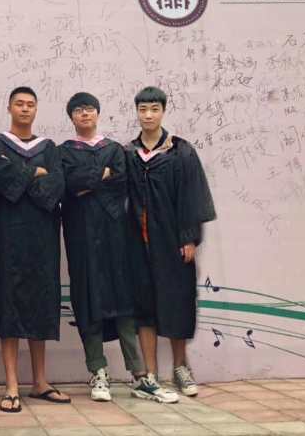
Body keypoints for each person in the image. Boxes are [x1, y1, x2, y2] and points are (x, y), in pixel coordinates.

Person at [125, 86, 216, 402]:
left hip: (173, 244)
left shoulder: (181, 151)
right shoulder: (128, 153)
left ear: (163, 111)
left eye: (154, 109)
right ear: (137, 112)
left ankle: (180, 367)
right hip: (138, 245)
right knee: (144, 308)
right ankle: (150, 375)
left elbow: (192, 196)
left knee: (178, 303)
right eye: (143, 109)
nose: (148, 115)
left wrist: (189, 237)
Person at [0, 86, 68, 413]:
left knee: (40, 304)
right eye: (19, 104)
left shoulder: (49, 147)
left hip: (42, 236)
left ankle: (40, 382)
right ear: (9, 107)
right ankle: (11, 385)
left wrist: (22, 176)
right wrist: (34, 172)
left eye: (30, 104)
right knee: (10, 305)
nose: (24, 108)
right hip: (7, 235)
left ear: (36, 109)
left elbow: (56, 185)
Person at [59, 92, 146, 402]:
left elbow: (120, 184)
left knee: (124, 302)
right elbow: (68, 186)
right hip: (81, 236)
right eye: (78, 110)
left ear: (97, 113)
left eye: (89, 109)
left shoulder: (115, 149)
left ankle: (139, 374)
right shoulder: (63, 152)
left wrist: (88, 183)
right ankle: (97, 371)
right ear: (71, 117)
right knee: (88, 302)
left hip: (115, 234)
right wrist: (101, 175)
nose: (85, 113)